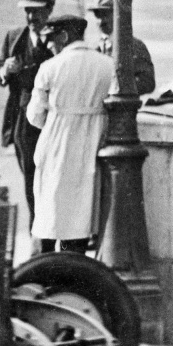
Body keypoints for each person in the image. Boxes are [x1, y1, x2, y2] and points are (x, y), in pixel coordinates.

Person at [26, 14, 115, 254]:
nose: (48, 45)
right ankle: (73, 266)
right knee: (80, 212)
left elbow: (35, 116)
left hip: (57, 143)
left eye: (51, 39)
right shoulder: (107, 65)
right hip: (91, 144)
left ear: (64, 36)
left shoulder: (50, 68)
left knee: (50, 211)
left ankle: (45, 267)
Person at [0, 0, 56, 224]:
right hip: (22, 117)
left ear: (50, 10)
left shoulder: (59, 37)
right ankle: (36, 227)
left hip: (51, 116)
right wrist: (4, 71)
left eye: (37, 12)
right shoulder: (14, 37)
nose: (31, 18)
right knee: (29, 172)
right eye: (28, 12)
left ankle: (46, 226)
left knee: (50, 174)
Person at [88, 0, 156, 97]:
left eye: (106, 15)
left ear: (118, 16)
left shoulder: (134, 46)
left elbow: (148, 82)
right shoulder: (95, 49)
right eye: (98, 16)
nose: (102, 21)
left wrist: (118, 87)